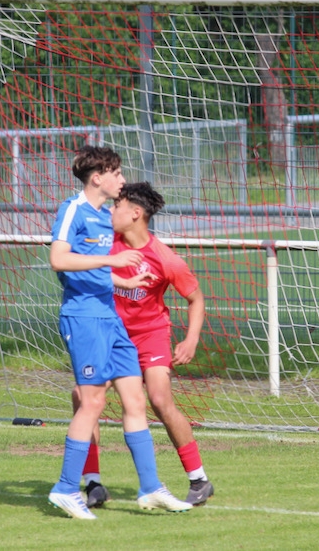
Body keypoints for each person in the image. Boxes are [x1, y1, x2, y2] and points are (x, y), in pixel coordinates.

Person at [46, 145, 191, 520]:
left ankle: (150, 488)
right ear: (98, 177)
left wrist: (124, 282)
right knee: (92, 401)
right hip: (85, 319)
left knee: (135, 401)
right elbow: (59, 260)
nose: (122, 180)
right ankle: (65, 489)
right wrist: (112, 260)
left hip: (111, 319)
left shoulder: (99, 218)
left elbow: (92, 271)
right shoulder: (74, 210)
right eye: (117, 173)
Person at [75, 181, 214, 509]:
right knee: (82, 397)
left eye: (117, 206)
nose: (112, 211)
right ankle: (92, 483)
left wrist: (191, 339)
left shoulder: (166, 259)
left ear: (135, 213)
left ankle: (198, 478)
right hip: (110, 334)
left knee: (160, 399)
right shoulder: (107, 244)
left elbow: (195, 298)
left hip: (150, 335)